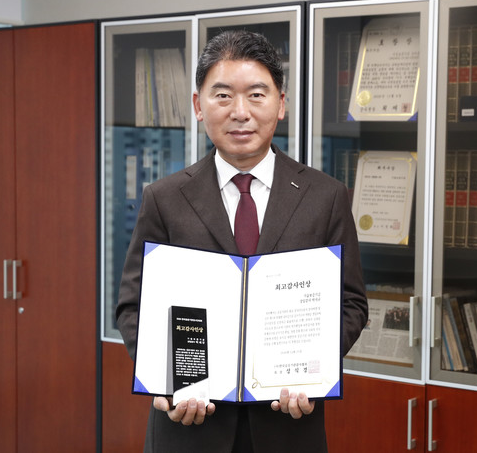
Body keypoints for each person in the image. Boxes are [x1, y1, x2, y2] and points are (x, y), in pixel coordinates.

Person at [116, 29, 368, 453]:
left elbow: (352, 303)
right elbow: (133, 305)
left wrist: (311, 372)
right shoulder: (164, 198)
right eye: (222, 96)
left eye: (256, 95)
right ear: (198, 106)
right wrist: (168, 382)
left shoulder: (326, 197)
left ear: (281, 104)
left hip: (287, 427)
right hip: (189, 427)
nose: (240, 112)